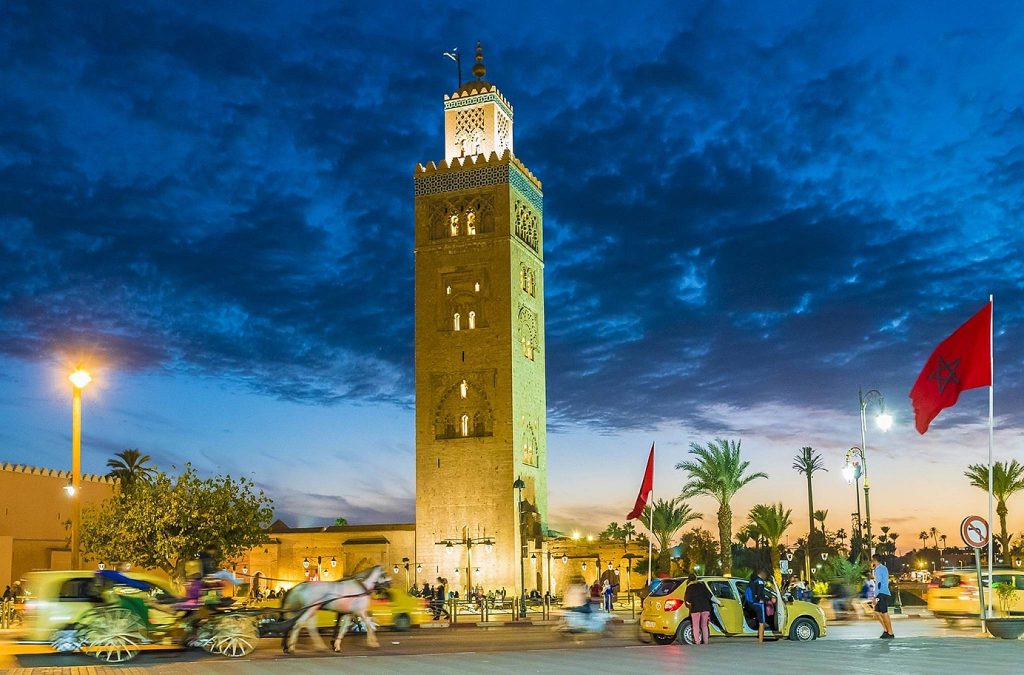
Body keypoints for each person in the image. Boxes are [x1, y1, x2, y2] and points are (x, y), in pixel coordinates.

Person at [683, 574, 713, 645]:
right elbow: (710, 596)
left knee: (695, 625)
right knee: (704, 625)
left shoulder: (689, 588)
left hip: (695, 608)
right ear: (696, 578)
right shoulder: (702, 586)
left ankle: (697, 642)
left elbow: (687, 601)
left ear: (689, 579)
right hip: (705, 608)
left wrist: (690, 604)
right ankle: (706, 642)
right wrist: (719, 602)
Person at [871, 554, 894, 639]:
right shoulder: (883, 568)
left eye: (872, 560)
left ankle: (890, 633)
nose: (871, 562)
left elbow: (879, 583)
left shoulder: (878, 569)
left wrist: (875, 596)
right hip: (883, 592)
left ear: (875, 560)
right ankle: (886, 630)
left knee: (884, 613)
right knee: (877, 612)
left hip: (881, 593)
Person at [746, 569, 771, 643]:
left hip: (751, 603)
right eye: (766, 576)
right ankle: (760, 640)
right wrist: (767, 599)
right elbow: (760, 594)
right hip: (758, 604)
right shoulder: (760, 582)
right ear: (763, 574)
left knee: (761, 621)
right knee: (761, 622)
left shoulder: (752, 581)